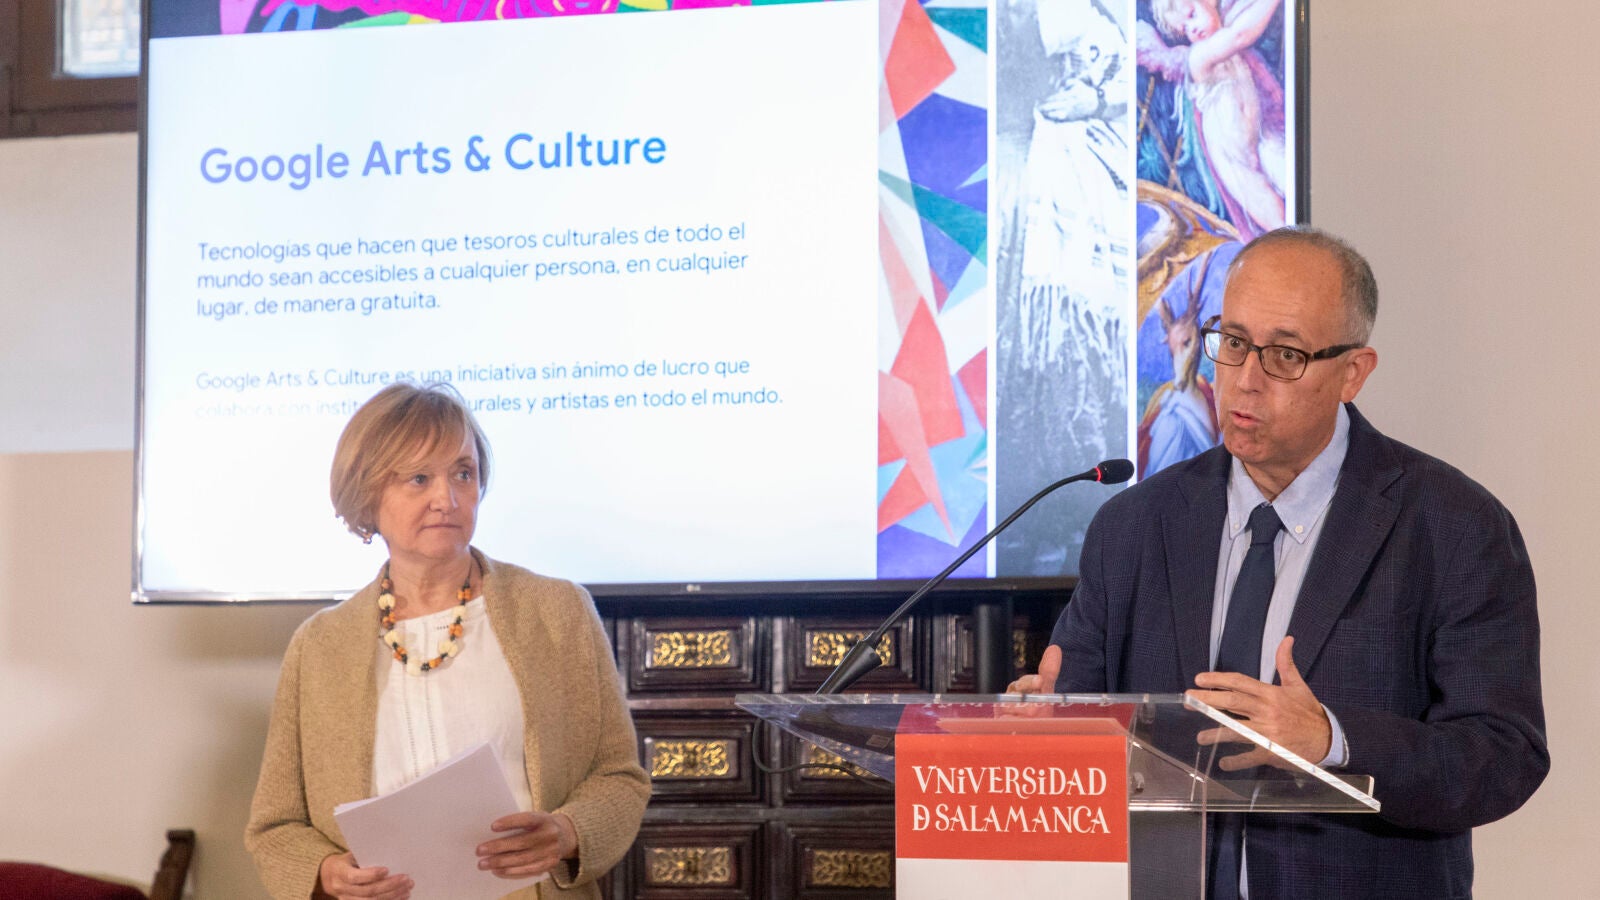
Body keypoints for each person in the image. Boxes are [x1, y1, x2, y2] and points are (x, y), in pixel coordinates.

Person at [1011, 227, 1547, 896]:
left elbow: (1504, 755)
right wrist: (1047, 726)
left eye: (1285, 355)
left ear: (1353, 373)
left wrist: (1334, 741)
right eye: (1233, 343)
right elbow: (1084, 717)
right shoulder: (1134, 526)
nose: (1245, 379)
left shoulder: (1454, 526)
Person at [245, 382, 649, 899]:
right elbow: (275, 828)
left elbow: (619, 776)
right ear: (367, 495)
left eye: (463, 473)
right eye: (419, 478)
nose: (448, 499)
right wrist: (325, 871)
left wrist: (569, 831)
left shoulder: (557, 611)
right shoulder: (318, 647)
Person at [1140, 0, 1287, 237]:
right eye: (1184, 28)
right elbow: (1240, 35)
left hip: (1261, 137)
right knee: (1274, 216)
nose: (1192, 29)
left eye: (1191, 15)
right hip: (1231, 155)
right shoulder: (1199, 56)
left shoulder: (1224, 23)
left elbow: (1243, 9)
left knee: (1288, 176)